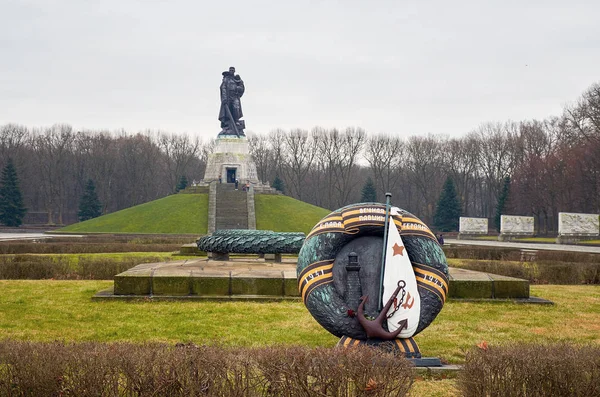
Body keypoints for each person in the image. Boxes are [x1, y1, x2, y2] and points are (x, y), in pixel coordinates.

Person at [218, 66, 245, 135]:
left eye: (233, 70)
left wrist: (238, 88)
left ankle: (236, 122)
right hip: (227, 97)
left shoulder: (237, 79)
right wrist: (224, 97)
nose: (232, 71)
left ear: (234, 71)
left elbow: (242, 88)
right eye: (230, 70)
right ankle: (227, 125)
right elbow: (223, 87)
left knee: (236, 108)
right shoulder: (226, 79)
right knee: (227, 112)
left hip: (235, 96)